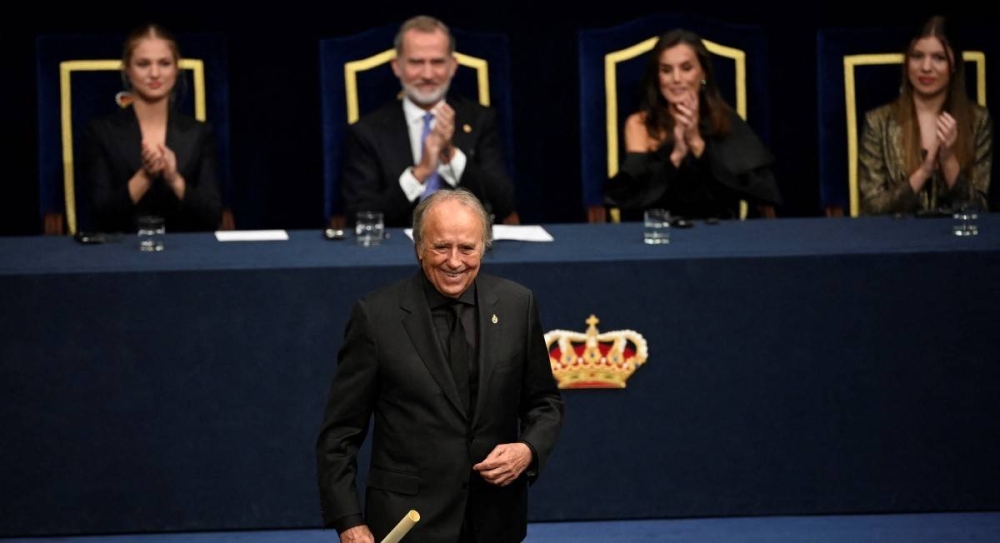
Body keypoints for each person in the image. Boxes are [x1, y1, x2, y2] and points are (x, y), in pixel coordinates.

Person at [316, 189, 563, 543]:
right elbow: (339, 435)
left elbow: (545, 403)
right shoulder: (376, 317)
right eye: (441, 247)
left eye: (467, 248)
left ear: (484, 247)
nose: (454, 261)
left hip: (494, 521)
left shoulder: (516, 305)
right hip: (407, 524)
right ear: (418, 247)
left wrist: (528, 449)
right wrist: (349, 522)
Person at [339, 15, 518, 228]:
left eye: (437, 62)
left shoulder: (480, 120)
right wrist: (421, 172)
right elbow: (359, 214)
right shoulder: (368, 130)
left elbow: (503, 203)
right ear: (397, 66)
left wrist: (451, 155)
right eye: (416, 62)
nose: (427, 74)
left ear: (453, 66)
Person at [604, 29, 781, 221]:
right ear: (657, 77)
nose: (676, 79)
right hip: (658, 237)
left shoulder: (725, 120)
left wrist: (696, 142)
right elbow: (627, 197)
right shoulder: (640, 124)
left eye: (686, 68)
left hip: (718, 235)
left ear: (702, 73)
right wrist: (677, 155)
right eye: (666, 70)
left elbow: (759, 191)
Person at [85, 24, 222, 233]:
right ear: (128, 70)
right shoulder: (102, 131)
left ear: (176, 69)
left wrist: (174, 178)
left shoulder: (199, 133)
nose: (155, 73)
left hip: (185, 253)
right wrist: (145, 176)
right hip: (121, 252)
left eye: (164, 63)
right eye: (143, 64)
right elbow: (99, 217)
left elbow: (212, 217)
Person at [859, 16, 992, 215]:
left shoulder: (978, 120)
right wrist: (924, 172)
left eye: (939, 58)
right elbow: (871, 210)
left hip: (957, 240)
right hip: (896, 241)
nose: (926, 67)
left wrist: (947, 160)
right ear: (906, 61)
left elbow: (979, 211)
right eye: (917, 56)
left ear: (953, 64)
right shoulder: (878, 122)